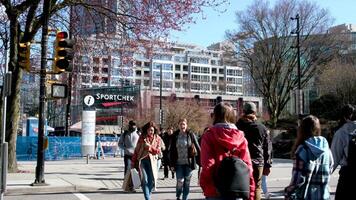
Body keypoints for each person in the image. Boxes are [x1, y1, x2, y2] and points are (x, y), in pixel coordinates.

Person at [200, 102, 255, 200]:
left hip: (216, 189)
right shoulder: (241, 137)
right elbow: (248, 166)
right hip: (237, 189)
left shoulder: (209, 136)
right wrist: (250, 192)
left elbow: (208, 165)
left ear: (215, 116)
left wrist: (206, 187)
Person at [284, 115, 333, 200]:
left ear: (302, 130)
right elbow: (330, 170)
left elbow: (297, 180)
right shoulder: (327, 150)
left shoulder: (302, 150)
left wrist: (288, 192)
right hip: (324, 195)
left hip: (305, 196)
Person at [236, 102, 272, 200]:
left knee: (240, 188)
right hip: (257, 162)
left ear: (243, 112)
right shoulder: (261, 128)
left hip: (240, 161)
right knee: (257, 187)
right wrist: (267, 165)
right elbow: (267, 147)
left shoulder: (237, 126)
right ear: (255, 112)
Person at [170, 118, 200, 200]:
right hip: (178, 163)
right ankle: (178, 195)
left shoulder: (191, 134)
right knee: (180, 181)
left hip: (189, 163)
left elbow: (198, 147)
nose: (182, 126)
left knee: (187, 182)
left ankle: (184, 198)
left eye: (184, 124)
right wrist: (171, 164)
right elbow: (172, 151)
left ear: (186, 125)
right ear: (178, 125)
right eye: (181, 124)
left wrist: (201, 161)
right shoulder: (175, 136)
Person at [131, 121, 162, 200]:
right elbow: (137, 150)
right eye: (149, 130)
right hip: (143, 161)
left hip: (153, 162)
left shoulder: (158, 138)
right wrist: (133, 161)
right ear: (146, 130)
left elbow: (158, 151)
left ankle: (148, 192)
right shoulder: (142, 137)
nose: (150, 132)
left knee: (151, 181)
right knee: (144, 180)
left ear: (154, 130)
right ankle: (147, 198)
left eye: (152, 130)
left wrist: (149, 147)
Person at [331, 104, 356, 200]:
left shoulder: (341, 133)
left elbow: (334, 158)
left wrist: (325, 174)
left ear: (344, 117)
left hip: (347, 176)